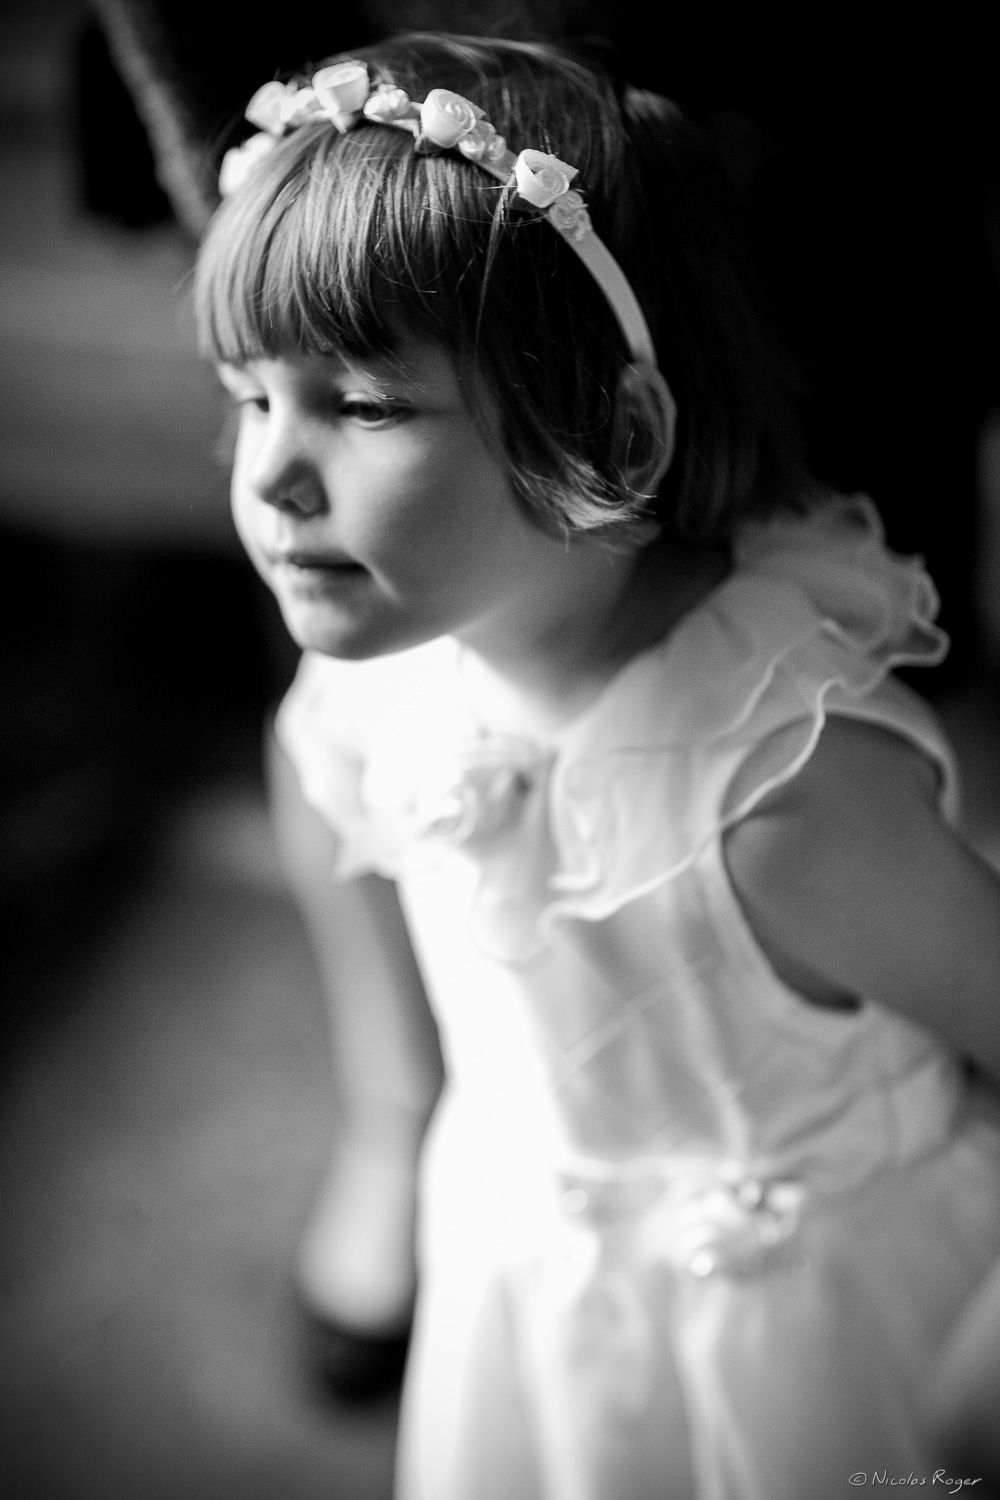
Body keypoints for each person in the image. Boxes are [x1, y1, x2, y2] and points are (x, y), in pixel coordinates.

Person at [193, 33, 1000, 1498]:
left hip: (820, 1342)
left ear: (612, 435)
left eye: (363, 405)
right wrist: (399, 1105)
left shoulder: (782, 802)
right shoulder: (369, 685)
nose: (271, 476)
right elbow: (319, 794)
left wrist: (969, 1397)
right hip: (534, 1295)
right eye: (254, 397)